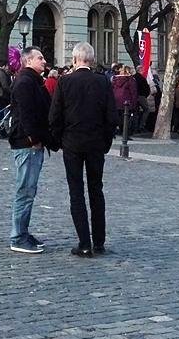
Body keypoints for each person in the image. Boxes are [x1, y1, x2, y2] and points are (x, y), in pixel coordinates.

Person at [49, 42, 118, 259]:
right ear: (92, 59)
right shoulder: (102, 82)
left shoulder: (65, 81)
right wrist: (106, 142)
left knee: (76, 192)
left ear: (74, 59)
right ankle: (99, 241)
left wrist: (59, 140)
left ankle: (84, 242)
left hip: (73, 142)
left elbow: (55, 116)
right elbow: (112, 117)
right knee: (96, 190)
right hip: (96, 143)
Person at [8, 46, 52, 255]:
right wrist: (34, 139)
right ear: (28, 61)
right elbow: (27, 115)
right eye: (40, 58)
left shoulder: (32, 81)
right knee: (25, 191)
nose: (44, 61)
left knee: (28, 191)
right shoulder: (25, 82)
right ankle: (18, 236)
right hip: (27, 145)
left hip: (31, 143)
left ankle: (23, 232)